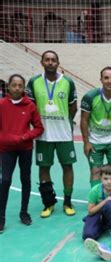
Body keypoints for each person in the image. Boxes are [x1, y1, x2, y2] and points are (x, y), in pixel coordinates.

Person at [26, 50, 78, 217]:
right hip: (43, 135)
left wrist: (65, 122)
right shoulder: (34, 82)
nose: (50, 62)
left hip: (63, 134)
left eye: (53, 60)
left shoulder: (68, 82)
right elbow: (30, 108)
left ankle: (68, 202)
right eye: (47, 60)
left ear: (58, 63)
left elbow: (73, 107)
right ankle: (48, 203)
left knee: (67, 166)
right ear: (42, 62)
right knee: (44, 167)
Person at [0, 74, 44, 233]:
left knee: (25, 179)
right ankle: (1, 217)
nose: (17, 88)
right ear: (9, 87)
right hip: (6, 149)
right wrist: (6, 138)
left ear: (23, 87)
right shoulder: (2, 104)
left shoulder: (30, 105)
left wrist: (25, 137)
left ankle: (24, 212)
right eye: (14, 85)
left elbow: (39, 128)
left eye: (20, 85)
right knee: (5, 180)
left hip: (25, 148)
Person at [80, 66, 111, 188]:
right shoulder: (90, 97)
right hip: (94, 141)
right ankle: (96, 199)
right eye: (106, 78)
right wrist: (86, 142)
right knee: (95, 171)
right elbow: (84, 120)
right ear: (101, 79)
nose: (109, 81)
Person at [82, 164, 111, 240]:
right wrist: (105, 200)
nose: (109, 182)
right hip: (96, 213)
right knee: (88, 235)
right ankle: (101, 227)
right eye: (105, 179)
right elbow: (90, 212)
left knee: (110, 205)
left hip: (109, 212)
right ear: (100, 178)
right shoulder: (95, 191)